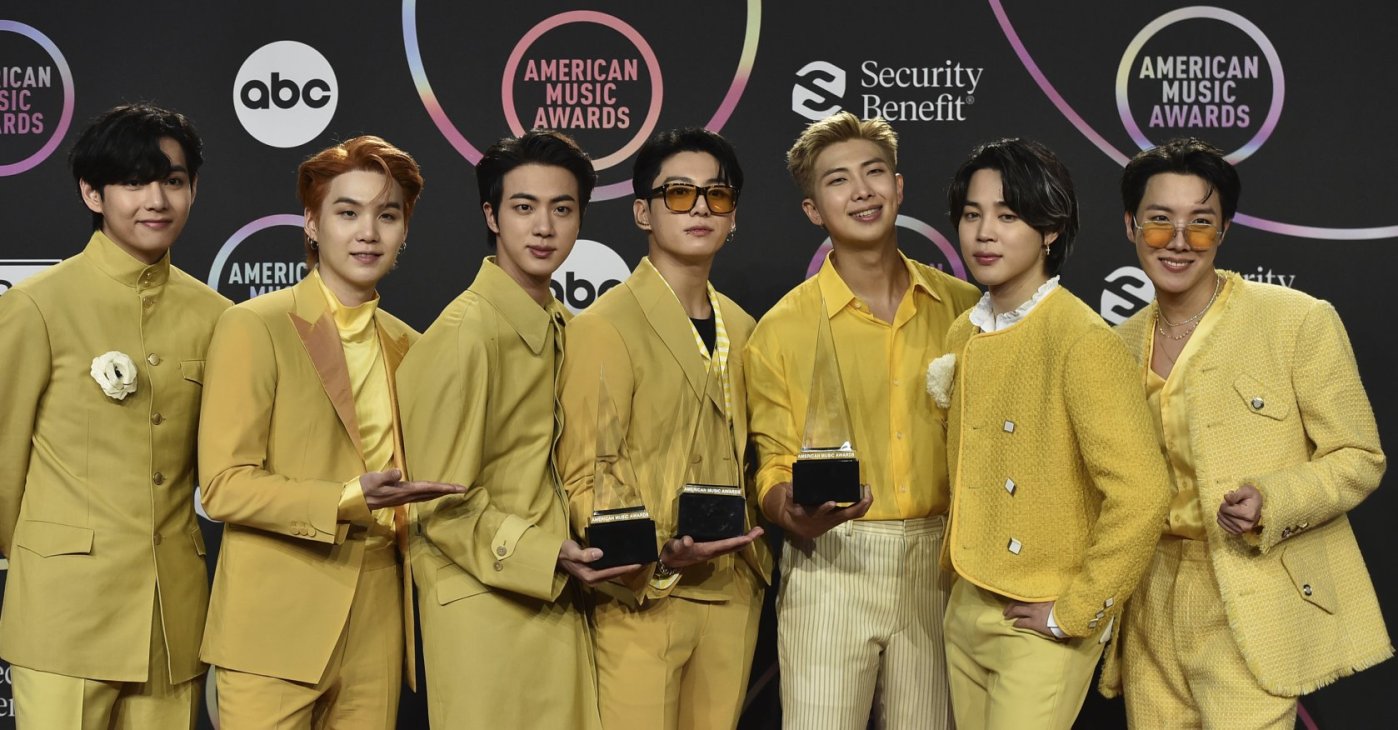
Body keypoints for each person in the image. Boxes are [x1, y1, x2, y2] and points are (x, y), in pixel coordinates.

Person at [1107, 137, 1391, 729]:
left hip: (1250, 591)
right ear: (1131, 226)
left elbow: (1359, 456)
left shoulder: (1297, 320)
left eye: (1200, 224)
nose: (1178, 241)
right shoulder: (1114, 345)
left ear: (1224, 231)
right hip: (1148, 603)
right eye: (1159, 222)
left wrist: (1273, 499)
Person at [198, 135, 460, 728]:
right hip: (274, 622)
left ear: (405, 231)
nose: (368, 232)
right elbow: (223, 486)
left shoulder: (411, 346)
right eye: (347, 212)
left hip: (379, 621)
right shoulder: (253, 326)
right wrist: (347, 499)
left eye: (387, 215)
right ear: (312, 224)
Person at [744, 112, 980, 729]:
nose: (861, 191)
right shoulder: (782, 328)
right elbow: (769, 459)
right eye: (838, 180)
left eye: (874, 173)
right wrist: (786, 509)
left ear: (899, 188)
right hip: (830, 562)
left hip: (942, 561)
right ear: (813, 210)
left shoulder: (963, 310)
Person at [0, 103, 229, 729]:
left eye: (174, 181)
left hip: (171, 619)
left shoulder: (218, 317)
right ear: (91, 192)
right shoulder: (38, 306)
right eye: (133, 181)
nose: (156, 199)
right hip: (63, 619)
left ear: (193, 190)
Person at [398, 129, 629, 729]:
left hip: (555, 600)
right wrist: (547, 552)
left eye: (562, 208)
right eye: (523, 207)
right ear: (491, 216)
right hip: (487, 615)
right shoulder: (463, 334)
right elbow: (436, 504)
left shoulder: (564, 325)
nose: (544, 227)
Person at [936, 138, 1169, 729]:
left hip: (1041, 614)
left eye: (1008, 216)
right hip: (967, 601)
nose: (984, 233)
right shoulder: (963, 331)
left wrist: (1077, 610)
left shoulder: (1082, 340)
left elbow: (1142, 494)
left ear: (1050, 229)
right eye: (972, 214)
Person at [556, 127, 772, 729]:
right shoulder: (604, 324)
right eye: (678, 193)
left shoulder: (747, 327)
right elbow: (583, 471)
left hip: (732, 588)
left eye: (717, 195)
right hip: (644, 595)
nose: (700, 207)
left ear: (734, 214)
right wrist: (651, 556)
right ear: (642, 211)